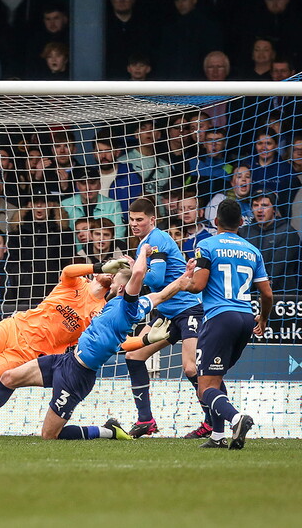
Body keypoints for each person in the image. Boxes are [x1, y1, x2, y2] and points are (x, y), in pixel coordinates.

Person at [0, 244, 191, 440]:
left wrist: (144, 252)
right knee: (9, 377)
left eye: (114, 281)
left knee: (49, 435)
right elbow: (162, 294)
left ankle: (108, 432)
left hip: (79, 373)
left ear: (122, 287)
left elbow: (137, 274)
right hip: (67, 360)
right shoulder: (133, 305)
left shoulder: (128, 306)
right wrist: (183, 280)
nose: (111, 282)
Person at [0, 257, 125, 438]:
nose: (110, 272)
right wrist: (99, 266)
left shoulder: (101, 311)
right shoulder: (77, 282)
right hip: (13, 327)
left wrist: (145, 340)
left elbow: (112, 339)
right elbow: (68, 270)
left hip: (28, 354)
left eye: (115, 271)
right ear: (95, 272)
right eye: (109, 267)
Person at [187, 199, 273, 449]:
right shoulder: (252, 250)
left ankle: (237, 418)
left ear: (215, 222)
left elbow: (199, 285)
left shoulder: (206, 245)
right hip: (246, 319)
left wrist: (186, 279)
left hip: (219, 318)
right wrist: (264, 318)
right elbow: (267, 295)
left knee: (205, 388)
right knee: (216, 378)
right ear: (241, 222)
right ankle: (217, 436)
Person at [122, 198, 206, 439]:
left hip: (188, 310)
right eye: (132, 220)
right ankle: (145, 419)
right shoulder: (144, 245)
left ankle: (213, 421)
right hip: (167, 312)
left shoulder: (156, 240)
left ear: (152, 220)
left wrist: (134, 273)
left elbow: (157, 280)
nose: (135, 224)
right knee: (134, 356)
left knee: (191, 368)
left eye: (140, 220)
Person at [239, 189, 300, 293]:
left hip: (281, 296)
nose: (259, 210)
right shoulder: (244, 233)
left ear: (274, 209)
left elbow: (276, 270)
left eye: (264, 205)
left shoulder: (288, 233)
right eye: (255, 205)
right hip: (249, 294)